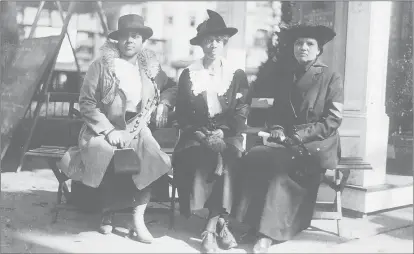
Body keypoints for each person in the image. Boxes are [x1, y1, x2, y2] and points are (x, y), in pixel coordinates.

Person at [59, 14, 177, 243]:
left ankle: (138, 217)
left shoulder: (150, 68)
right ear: (117, 41)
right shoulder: (102, 66)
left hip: (136, 126)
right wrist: (109, 131)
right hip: (103, 127)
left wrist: (164, 103)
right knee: (106, 152)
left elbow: (171, 87)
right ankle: (108, 213)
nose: (130, 41)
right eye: (125, 36)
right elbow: (87, 103)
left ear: (143, 41)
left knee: (151, 152)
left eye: (135, 36)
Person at [232, 24, 344, 253]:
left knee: (279, 169)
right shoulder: (286, 76)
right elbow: (278, 112)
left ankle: (268, 233)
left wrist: (297, 136)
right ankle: (250, 224)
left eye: (309, 44)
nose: (303, 47)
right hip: (289, 141)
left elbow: (332, 121)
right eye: (298, 43)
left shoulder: (331, 77)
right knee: (253, 157)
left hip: (316, 144)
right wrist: (277, 127)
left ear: (319, 49)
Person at [173, 10, 250, 253]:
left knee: (229, 159)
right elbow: (182, 114)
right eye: (208, 40)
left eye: (218, 40)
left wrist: (224, 132)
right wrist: (199, 134)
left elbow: (241, 111)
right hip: (195, 135)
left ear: (224, 42)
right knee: (197, 157)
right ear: (201, 44)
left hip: (228, 135)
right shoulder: (189, 74)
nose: (213, 44)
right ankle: (221, 225)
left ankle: (210, 227)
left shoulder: (236, 75)